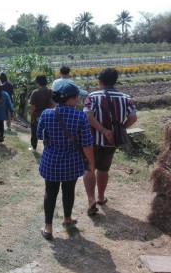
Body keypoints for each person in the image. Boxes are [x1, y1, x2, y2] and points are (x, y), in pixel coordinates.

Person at [37, 82, 94, 240]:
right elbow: (87, 143)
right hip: (72, 162)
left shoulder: (46, 114)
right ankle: (67, 219)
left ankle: (48, 228)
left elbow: (40, 135)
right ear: (70, 99)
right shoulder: (80, 116)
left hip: (50, 161)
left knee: (50, 192)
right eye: (77, 97)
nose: (78, 100)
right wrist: (90, 162)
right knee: (69, 190)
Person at [82, 68, 137, 216]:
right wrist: (119, 129)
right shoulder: (125, 98)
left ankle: (91, 199)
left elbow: (88, 116)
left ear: (100, 82)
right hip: (112, 141)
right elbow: (133, 118)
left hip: (92, 140)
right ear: (115, 81)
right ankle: (100, 197)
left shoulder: (92, 96)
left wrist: (103, 130)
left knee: (89, 168)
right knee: (104, 169)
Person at [28, 74, 55, 153]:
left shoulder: (35, 92)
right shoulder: (51, 91)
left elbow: (33, 107)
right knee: (47, 132)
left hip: (37, 115)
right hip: (48, 115)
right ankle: (46, 148)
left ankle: (34, 147)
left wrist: (31, 115)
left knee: (34, 131)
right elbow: (53, 104)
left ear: (37, 82)